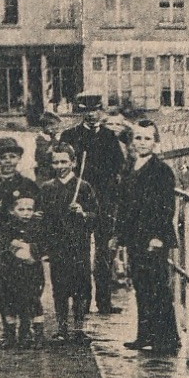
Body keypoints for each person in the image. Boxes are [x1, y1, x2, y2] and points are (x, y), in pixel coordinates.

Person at [115, 120, 179, 354]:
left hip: (153, 238)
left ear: (156, 142)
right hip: (135, 237)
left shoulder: (161, 170)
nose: (142, 143)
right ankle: (145, 335)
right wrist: (120, 235)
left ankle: (167, 339)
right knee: (141, 286)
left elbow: (165, 207)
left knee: (158, 287)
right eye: (138, 138)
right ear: (133, 142)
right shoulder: (131, 167)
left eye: (147, 138)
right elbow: (125, 205)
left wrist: (158, 236)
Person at [62, 95, 127, 315]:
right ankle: (81, 302)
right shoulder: (70, 135)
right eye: (85, 110)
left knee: (103, 254)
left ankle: (104, 302)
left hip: (104, 204)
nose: (90, 114)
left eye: (95, 110)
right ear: (81, 112)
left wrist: (115, 200)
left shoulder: (110, 136)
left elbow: (119, 168)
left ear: (101, 111)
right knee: (77, 253)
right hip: (79, 202)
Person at [38, 143, 99, 342]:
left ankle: (80, 328)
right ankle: (62, 328)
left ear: (73, 162)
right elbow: (43, 218)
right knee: (60, 288)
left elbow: (96, 217)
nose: (60, 165)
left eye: (64, 161)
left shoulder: (84, 186)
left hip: (79, 245)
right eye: (56, 162)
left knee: (82, 287)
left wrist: (82, 213)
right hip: (58, 247)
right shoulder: (47, 188)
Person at [0, 194, 46, 347]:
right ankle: (10, 336)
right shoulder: (7, 227)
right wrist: (13, 246)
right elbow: (1, 244)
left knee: (33, 300)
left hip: (32, 270)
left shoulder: (38, 227)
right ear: (12, 211)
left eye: (29, 209)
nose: (26, 213)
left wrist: (31, 250)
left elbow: (44, 245)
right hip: (11, 271)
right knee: (9, 301)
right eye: (21, 209)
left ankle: (37, 335)